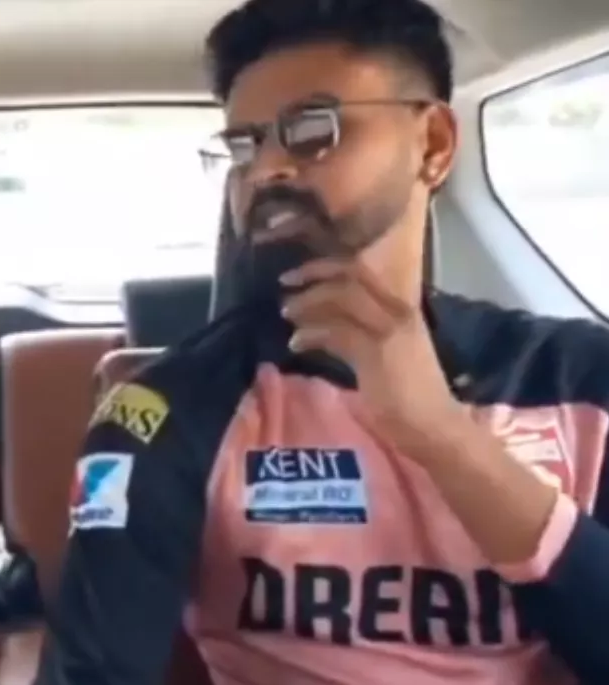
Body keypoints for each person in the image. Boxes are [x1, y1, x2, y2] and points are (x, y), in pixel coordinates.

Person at [35, 0, 609, 683]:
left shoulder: (578, 380)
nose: (265, 169)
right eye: (245, 145)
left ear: (432, 145)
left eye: (313, 131)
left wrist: (442, 436)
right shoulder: (165, 410)